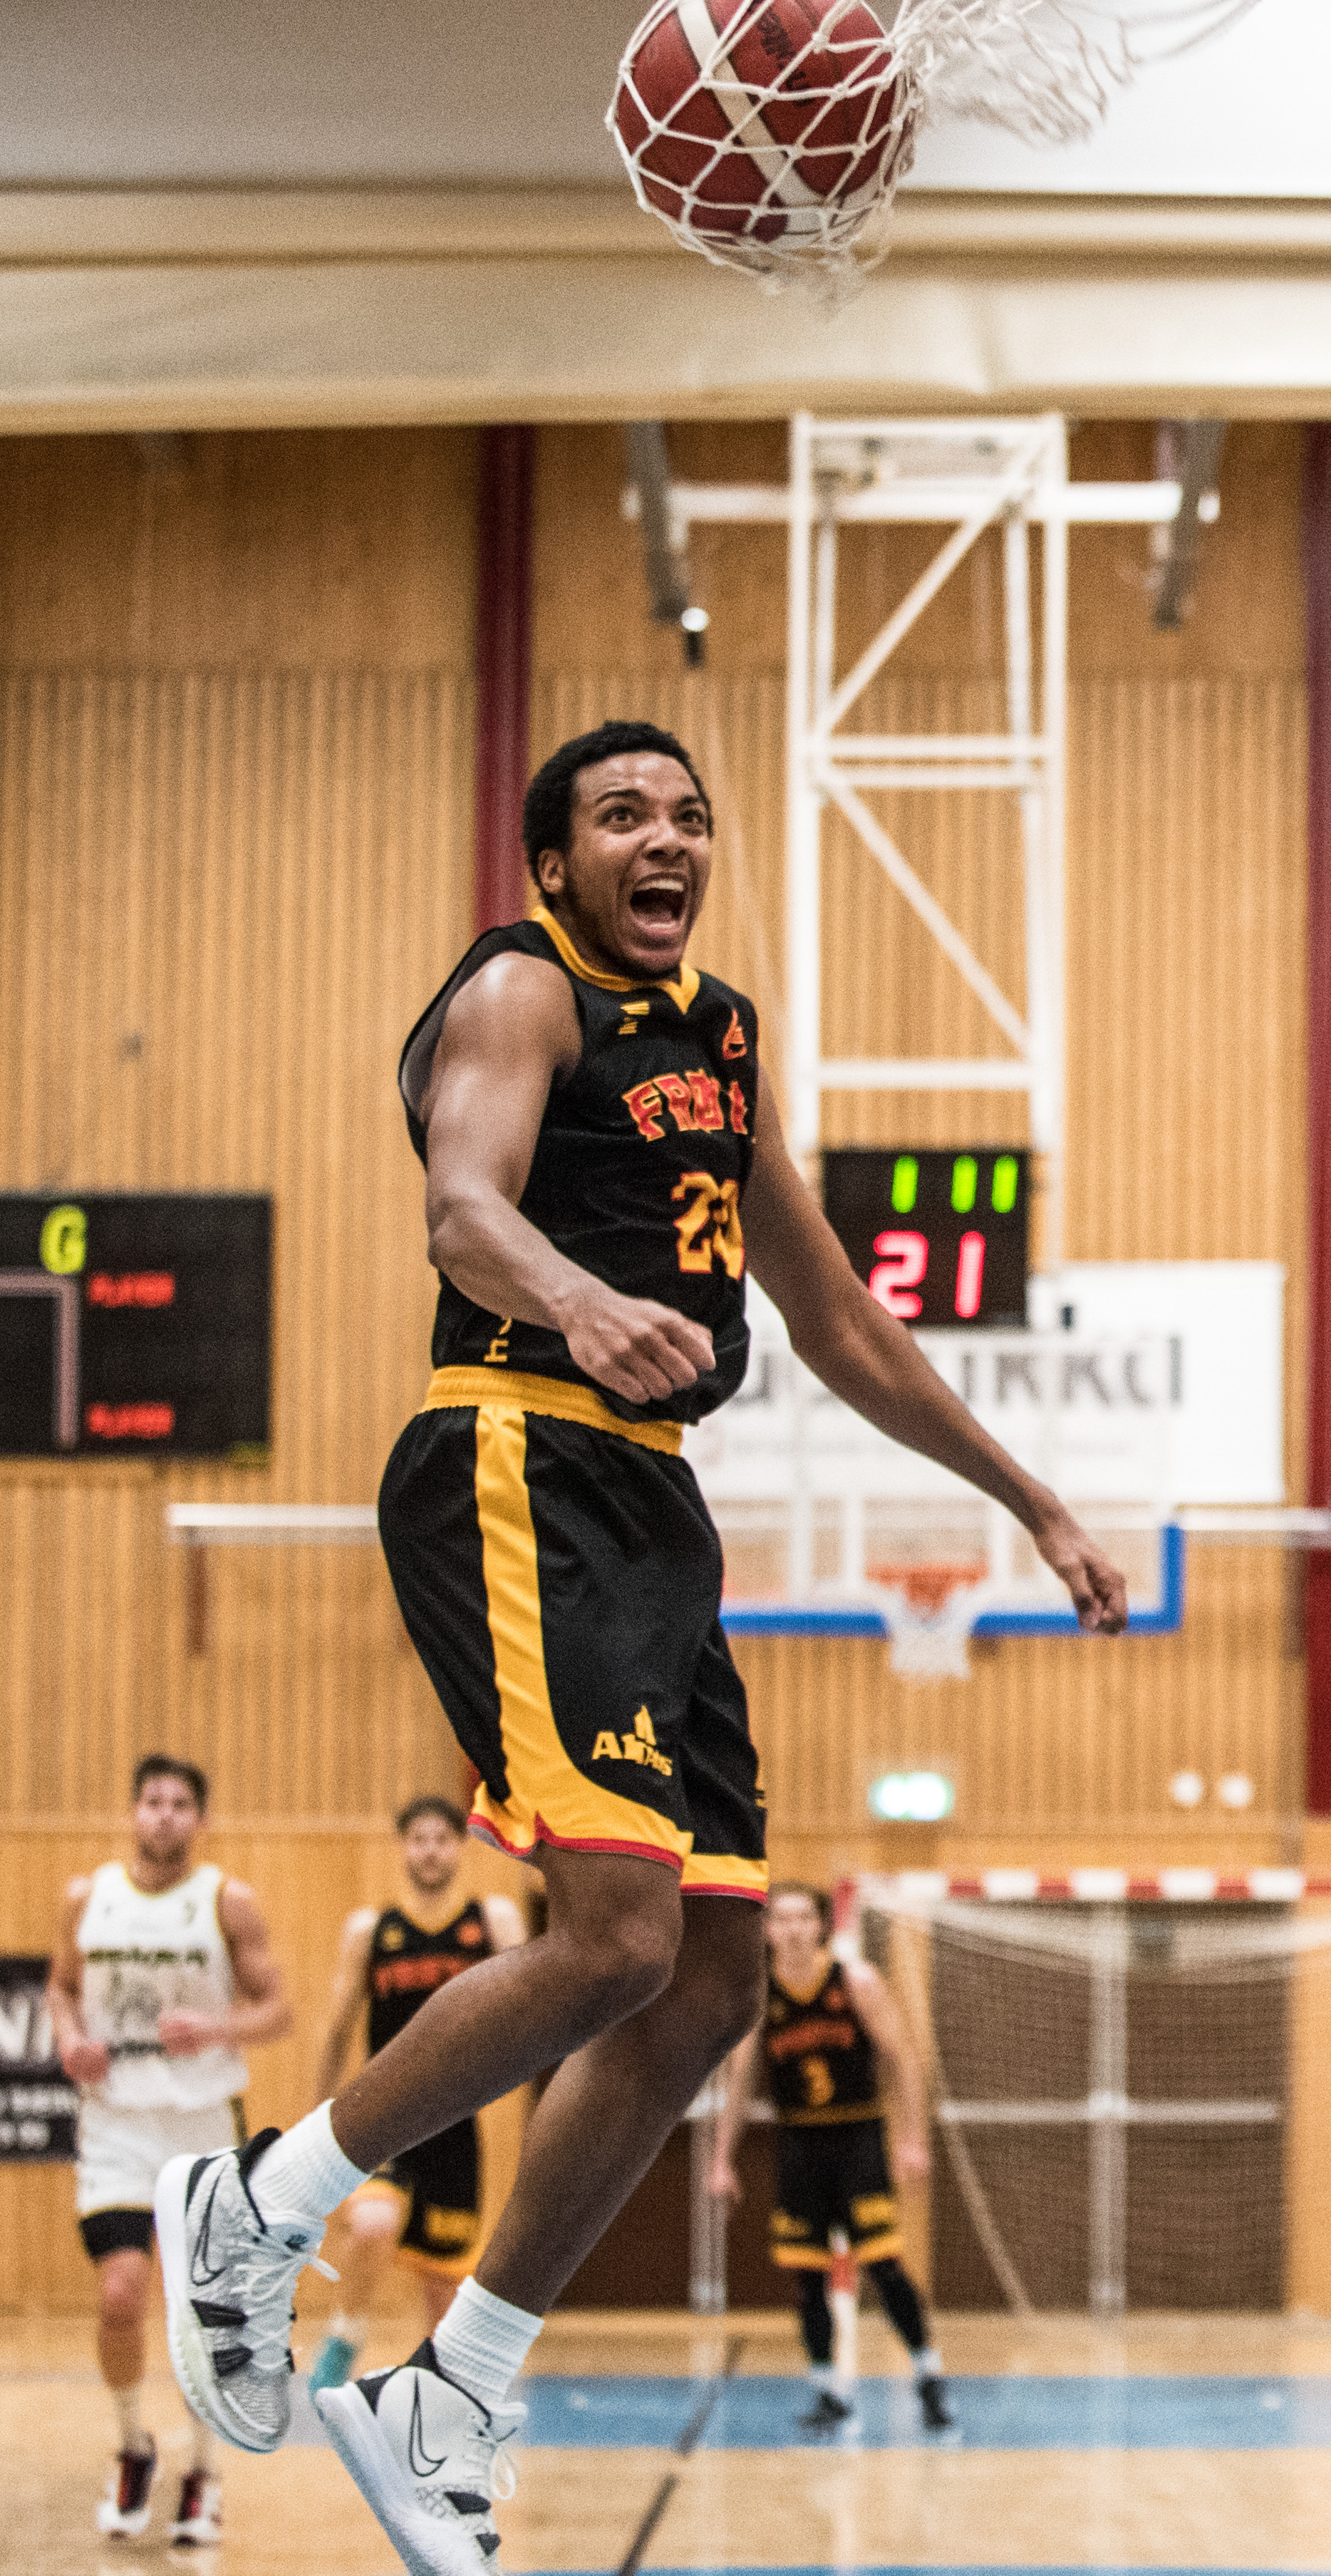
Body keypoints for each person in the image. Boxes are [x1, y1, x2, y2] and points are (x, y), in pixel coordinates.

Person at [154, 720, 1130, 2576]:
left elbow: (839, 1312)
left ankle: (457, 2385)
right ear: (554, 860)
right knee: (607, 1923)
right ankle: (255, 2204)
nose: (663, 837)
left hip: (654, 1510)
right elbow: (464, 1202)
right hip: (512, 1453)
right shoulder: (524, 994)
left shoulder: (722, 1036)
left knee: (699, 1980)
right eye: (622, 814)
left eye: (685, 813)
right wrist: (583, 1295)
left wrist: (1032, 1500)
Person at [45, 1756, 291, 2550]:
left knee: (199, 2315)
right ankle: (132, 2445)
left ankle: (205, 2470)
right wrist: (69, 2038)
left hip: (200, 2128)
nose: (164, 1815)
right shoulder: (89, 1897)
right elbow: (58, 1987)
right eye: (152, 1801)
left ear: (201, 1819)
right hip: (116, 2120)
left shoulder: (226, 1901)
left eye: (181, 1803)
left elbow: (278, 2008)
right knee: (121, 2294)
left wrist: (216, 2029)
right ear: (132, 1812)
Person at [707, 1882, 952, 2434]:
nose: (791, 1929)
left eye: (802, 1918)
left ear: (821, 1925)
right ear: (766, 1929)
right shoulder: (759, 1994)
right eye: (780, 1919)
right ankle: (828, 2392)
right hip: (799, 2144)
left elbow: (904, 2060)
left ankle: (928, 2377)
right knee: (807, 2277)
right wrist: (721, 2159)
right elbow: (740, 2080)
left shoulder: (856, 1981)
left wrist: (912, 2139)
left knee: (885, 2267)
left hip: (858, 2138)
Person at [306, 1796, 528, 2392]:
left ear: (459, 1847)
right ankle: (343, 2341)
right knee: (374, 2223)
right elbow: (335, 2030)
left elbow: (530, 2009)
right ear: (404, 1848)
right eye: (419, 1839)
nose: (430, 1850)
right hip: (386, 2112)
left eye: (442, 1839)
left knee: (443, 2282)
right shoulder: (371, 1930)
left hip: (455, 2120)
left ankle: (449, 2392)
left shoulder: (493, 1919)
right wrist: (312, 2123)